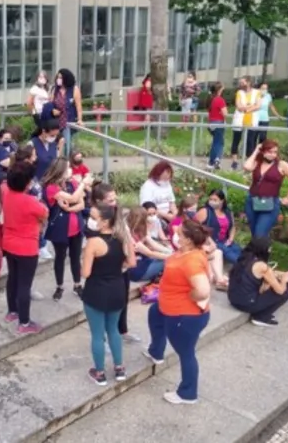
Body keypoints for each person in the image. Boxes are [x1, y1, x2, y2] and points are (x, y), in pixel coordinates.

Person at [145, 219, 213, 404]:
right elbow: (171, 258)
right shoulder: (185, 252)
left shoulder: (192, 261)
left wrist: (190, 296)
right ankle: (156, 352)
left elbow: (204, 290)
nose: (175, 234)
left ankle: (188, 393)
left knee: (186, 352)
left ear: (189, 240)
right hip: (167, 307)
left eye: (180, 234)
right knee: (154, 314)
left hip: (184, 316)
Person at [79, 204, 136, 385]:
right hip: (118, 288)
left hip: (96, 290)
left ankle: (100, 372)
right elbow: (132, 262)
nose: (92, 222)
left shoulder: (94, 242)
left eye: (95, 218)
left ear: (104, 222)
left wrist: (84, 260)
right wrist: (117, 268)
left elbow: (85, 273)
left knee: (97, 334)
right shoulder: (123, 237)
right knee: (114, 330)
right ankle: (119, 368)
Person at [0, 161, 49, 334]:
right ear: (27, 182)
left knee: (12, 278)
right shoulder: (29, 201)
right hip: (26, 247)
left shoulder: (6, 193)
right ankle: (25, 322)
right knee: (24, 285)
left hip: (8, 243)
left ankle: (12, 311)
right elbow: (44, 212)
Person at [41, 158, 89, 300]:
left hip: (77, 226)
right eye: (67, 168)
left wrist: (69, 207)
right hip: (60, 229)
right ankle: (60, 286)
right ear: (60, 170)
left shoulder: (72, 183)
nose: (71, 170)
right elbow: (75, 197)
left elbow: (81, 203)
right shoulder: (51, 187)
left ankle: (77, 284)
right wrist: (83, 184)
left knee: (75, 257)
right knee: (60, 257)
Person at [227, 236, 288, 327]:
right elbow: (280, 291)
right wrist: (284, 279)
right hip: (246, 304)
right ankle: (261, 317)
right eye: (269, 248)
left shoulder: (244, 259)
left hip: (233, 299)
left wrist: (270, 279)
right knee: (287, 288)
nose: (270, 250)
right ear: (263, 249)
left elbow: (259, 284)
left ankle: (261, 312)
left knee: (270, 286)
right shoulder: (262, 266)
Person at [243, 140, 288, 238]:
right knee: (254, 232)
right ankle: (261, 251)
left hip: (270, 203)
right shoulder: (258, 162)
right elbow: (246, 167)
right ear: (263, 152)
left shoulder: (281, 165)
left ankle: (261, 251)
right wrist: (256, 150)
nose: (273, 155)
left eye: (275, 152)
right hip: (253, 200)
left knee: (260, 233)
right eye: (269, 152)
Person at [194, 190, 239, 289]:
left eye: (215, 200)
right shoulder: (205, 211)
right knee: (234, 258)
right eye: (210, 199)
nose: (212, 201)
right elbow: (195, 227)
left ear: (222, 201)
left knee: (242, 253)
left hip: (226, 241)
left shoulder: (227, 212)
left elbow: (233, 227)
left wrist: (231, 239)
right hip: (213, 241)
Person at [50, 68, 84, 155]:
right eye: (58, 77)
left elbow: (78, 107)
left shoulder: (74, 89)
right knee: (56, 143)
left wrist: (80, 120)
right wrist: (52, 110)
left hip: (68, 121)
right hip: (56, 121)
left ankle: (66, 161)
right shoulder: (54, 89)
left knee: (67, 143)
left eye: (61, 77)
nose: (59, 79)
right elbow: (50, 104)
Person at [230, 77, 260, 169]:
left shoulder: (256, 92)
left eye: (242, 82)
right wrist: (250, 106)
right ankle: (234, 161)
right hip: (239, 120)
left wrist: (248, 109)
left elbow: (258, 105)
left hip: (251, 120)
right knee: (236, 140)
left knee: (250, 142)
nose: (241, 84)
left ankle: (248, 161)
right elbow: (238, 105)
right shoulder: (239, 93)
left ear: (248, 82)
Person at [139, 160, 178, 227]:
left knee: (180, 224)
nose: (168, 175)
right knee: (165, 226)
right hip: (156, 215)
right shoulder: (148, 185)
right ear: (159, 172)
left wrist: (175, 213)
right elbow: (148, 206)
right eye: (166, 173)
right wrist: (167, 216)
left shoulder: (167, 184)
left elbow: (172, 202)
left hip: (169, 214)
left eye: (169, 173)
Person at [246, 82, 279, 151]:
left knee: (263, 137)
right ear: (259, 88)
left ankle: (261, 153)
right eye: (263, 88)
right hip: (255, 119)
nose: (264, 90)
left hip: (265, 119)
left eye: (266, 89)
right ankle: (251, 153)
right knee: (253, 137)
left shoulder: (268, 96)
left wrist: (277, 115)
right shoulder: (255, 95)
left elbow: (271, 106)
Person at [206, 82, 227, 170]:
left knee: (216, 142)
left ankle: (212, 161)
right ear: (219, 90)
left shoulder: (211, 99)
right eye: (222, 89)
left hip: (211, 123)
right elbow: (225, 113)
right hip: (218, 123)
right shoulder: (220, 100)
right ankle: (216, 160)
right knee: (219, 143)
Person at [27, 71, 50, 136]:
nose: (43, 79)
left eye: (44, 77)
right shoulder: (34, 89)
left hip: (46, 113)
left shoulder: (46, 89)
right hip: (38, 113)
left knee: (43, 130)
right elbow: (29, 102)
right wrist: (33, 112)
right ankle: (32, 140)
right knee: (42, 130)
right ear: (37, 78)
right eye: (40, 77)